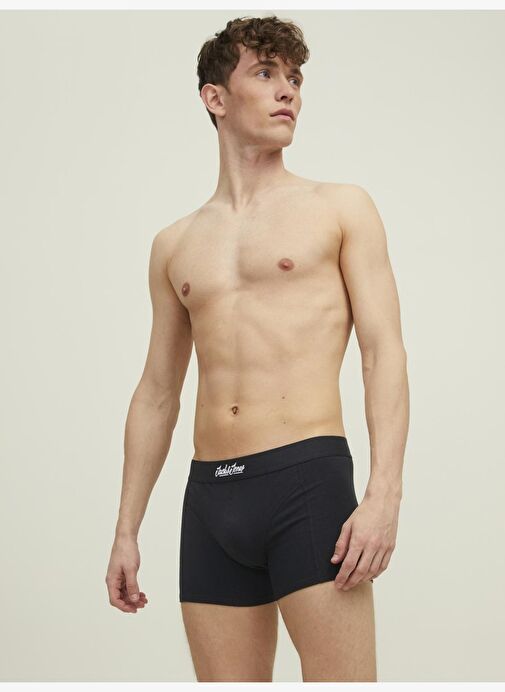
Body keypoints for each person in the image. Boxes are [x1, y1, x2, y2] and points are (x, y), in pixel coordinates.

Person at [105, 14, 409, 683]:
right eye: (266, 72)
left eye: (294, 77)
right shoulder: (174, 245)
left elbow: (382, 351)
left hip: (307, 484)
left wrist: (383, 494)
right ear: (215, 97)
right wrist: (126, 528)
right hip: (209, 499)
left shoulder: (340, 208)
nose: (287, 90)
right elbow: (157, 391)